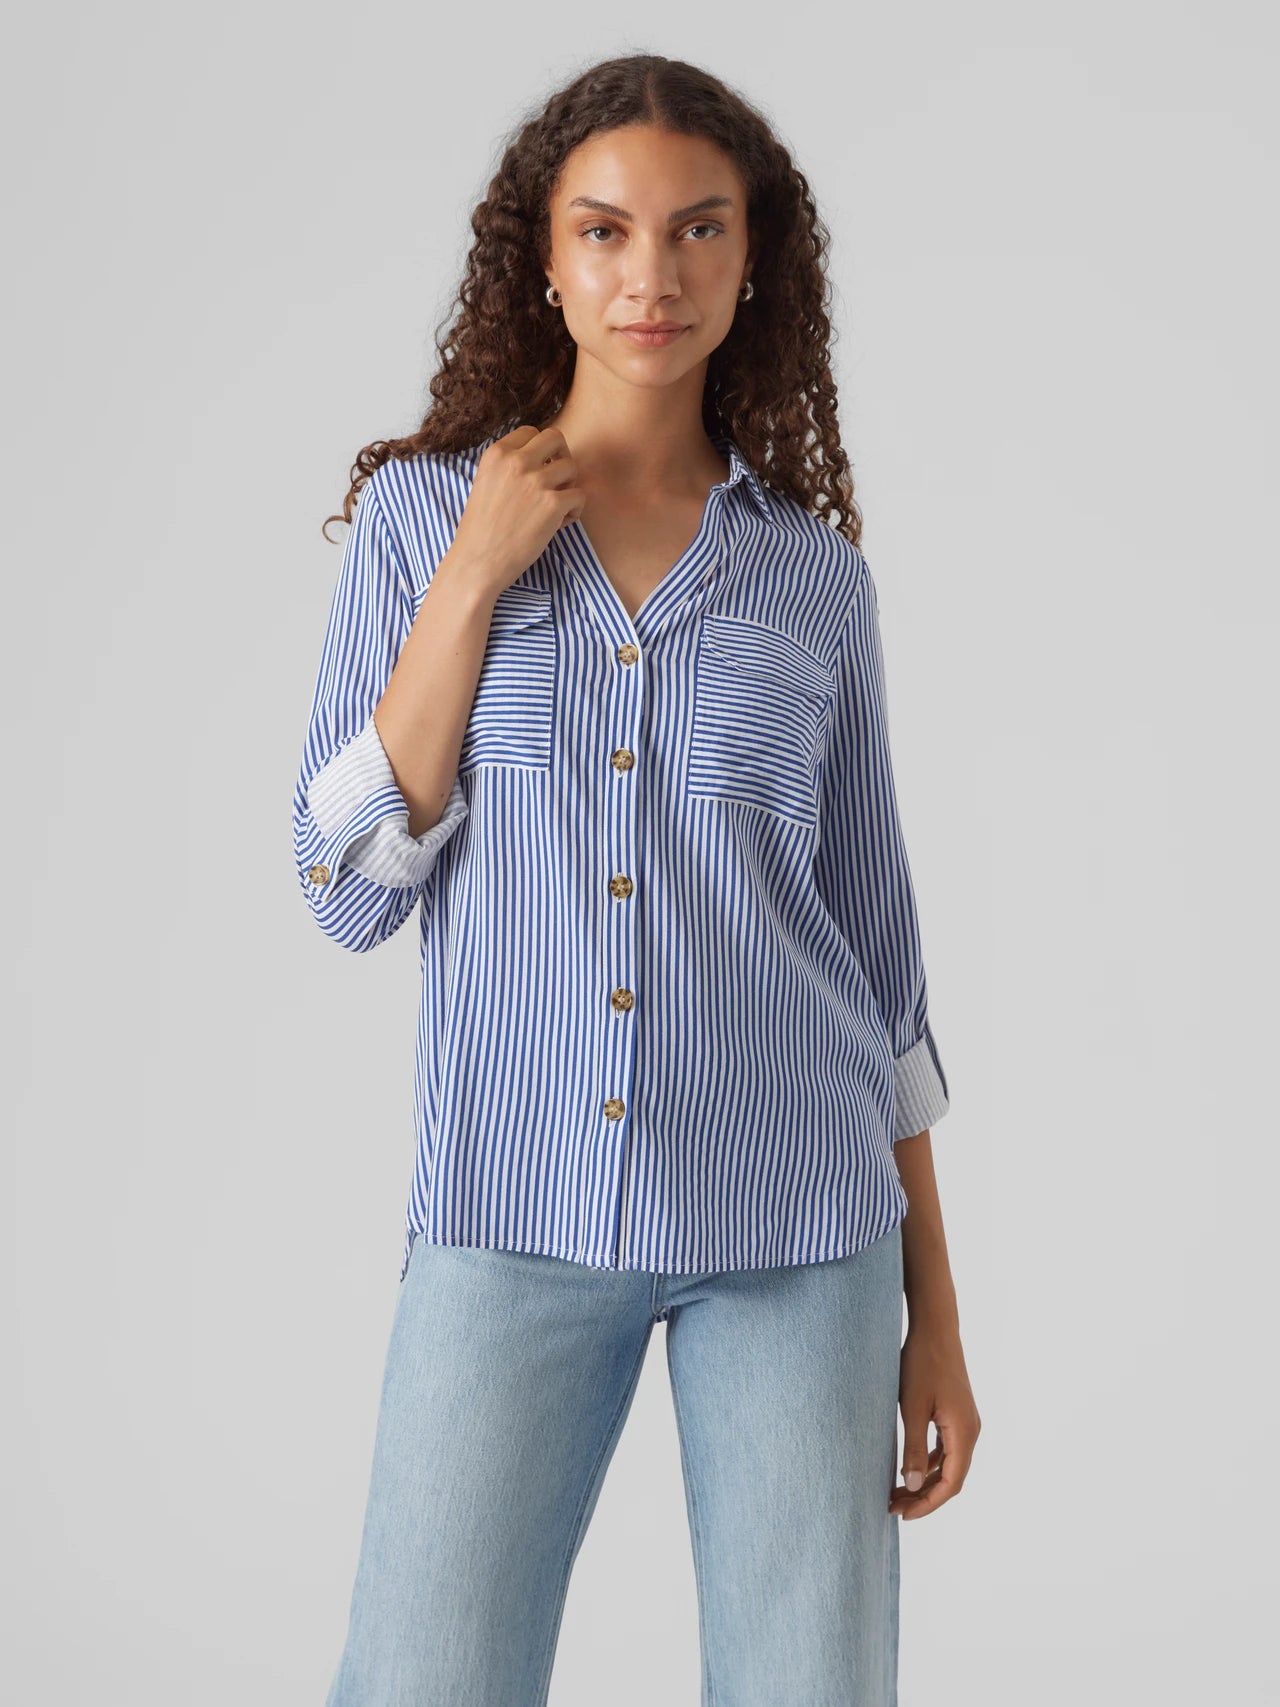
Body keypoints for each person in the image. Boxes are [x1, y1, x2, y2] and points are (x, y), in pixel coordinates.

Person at [295, 51, 981, 1707]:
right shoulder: (421, 524)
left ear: (753, 263)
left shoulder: (813, 584)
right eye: (605, 231)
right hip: (512, 1205)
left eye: (697, 229)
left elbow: (877, 961)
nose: (650, 275)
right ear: (544, 258)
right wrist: (474, 577)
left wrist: (937, 1314)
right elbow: (347, 886)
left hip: (799, 1224)